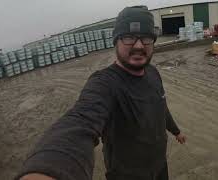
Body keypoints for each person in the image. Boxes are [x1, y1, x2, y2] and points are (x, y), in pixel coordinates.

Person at [16, 5, 186, 180]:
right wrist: (49, 169)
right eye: (128, 37)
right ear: (116, 41)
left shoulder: (153, 73)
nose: (138, 45)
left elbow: (161, 106)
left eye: (146, 38)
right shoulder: (105, 83)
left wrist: (176, 131)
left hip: (159, 167)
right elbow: (81, 121)